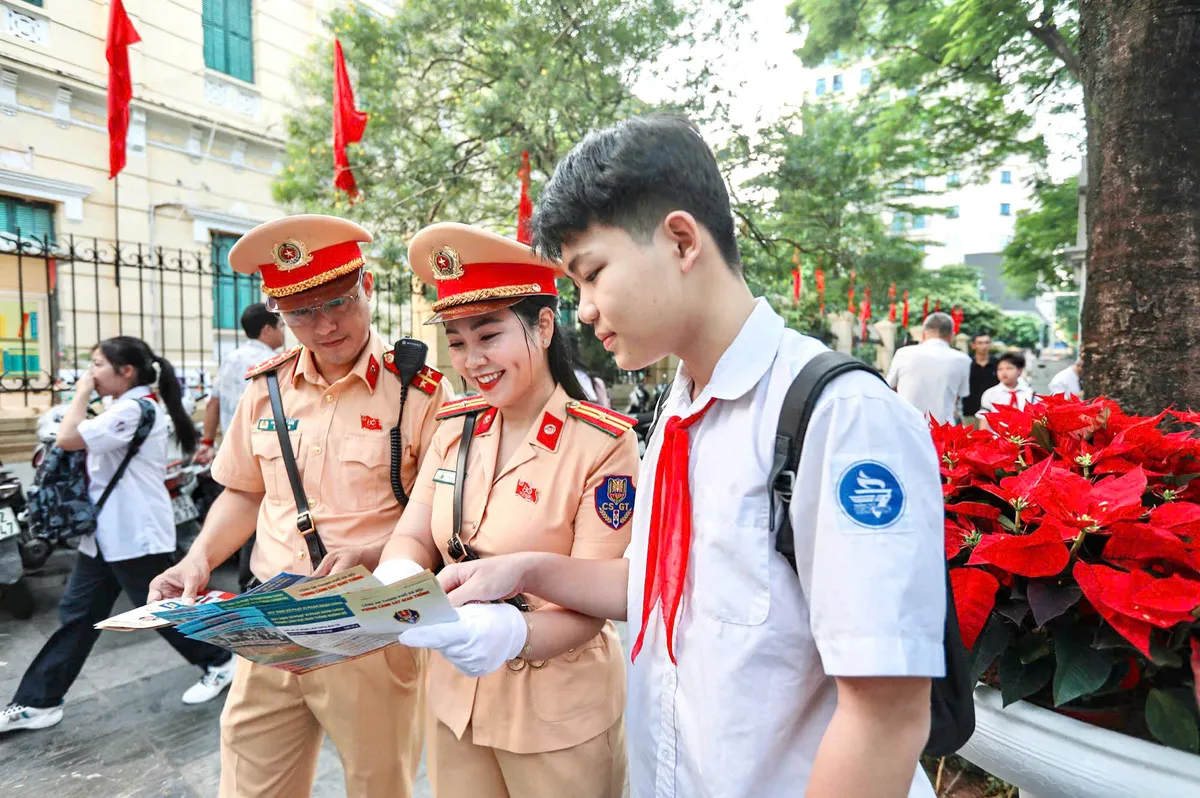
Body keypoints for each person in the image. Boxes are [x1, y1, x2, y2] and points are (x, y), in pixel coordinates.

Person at [398, 116, 945, 798]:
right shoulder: (682, 412)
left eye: (592, 275)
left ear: (681, 241)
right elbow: (659, 586)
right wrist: (525, 572)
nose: (586, 312)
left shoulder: (838, 418)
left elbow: (887, 712)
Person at [147, 215, 451, 798]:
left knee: (378, 782)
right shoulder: (268, 384)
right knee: (250, 779)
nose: (325, 324)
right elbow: (244, 490)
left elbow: (445, 516)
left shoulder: (421, 389)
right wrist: (198, 559)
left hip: (369, 617)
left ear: (364, 284)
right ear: (280, 315)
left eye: (338, 301)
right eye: (301, 313)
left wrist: (376, 555)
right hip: (272, 614)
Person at [362, 222, 637, 798]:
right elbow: (415, 534)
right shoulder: (456, 427)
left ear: (542, 325)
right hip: (456, 701)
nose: (472, 360)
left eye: (488, 335)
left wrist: (513, 630)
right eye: (457, 342)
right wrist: (399, 576)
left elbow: (606, 594)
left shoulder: (601, 444)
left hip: (557, 712)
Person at [0, 337, 234, 734]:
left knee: (160, 609)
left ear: (126, 371)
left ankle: (219, 661)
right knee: (78, 615)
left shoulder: (132, 409)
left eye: (97, 364)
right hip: (108, 535)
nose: (92, 372)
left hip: (133, 533)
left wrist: (81, 393)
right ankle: (38, 701)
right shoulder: (125, 407)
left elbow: (67, 437)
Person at [194, 303, 286, 466]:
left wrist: (207, 442)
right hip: (267, 453)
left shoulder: (231, 359)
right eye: (281, 326)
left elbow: (214, 403)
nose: (283, 331)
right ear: (267, 330)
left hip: (232, 451)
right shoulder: (276, 362)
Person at [885, 312, 971, 424]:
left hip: (908, 427)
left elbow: (889, 387)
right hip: (944, 430)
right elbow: (960, 396)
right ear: (951, 336)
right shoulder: (963, 360)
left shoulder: (903, 353)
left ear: (923, 334)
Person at [978, 352, 1035, 428]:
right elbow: (984, 422)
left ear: (1020, 371)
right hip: (997, 438)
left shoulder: (1031, 394)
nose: (1004, 372)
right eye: (1000, 369)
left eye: (1009, 368)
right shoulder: (990, 394)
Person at [962, 332, 999, 426]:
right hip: (970, 412)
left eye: (987, 342)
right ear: (973, 345)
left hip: (993, 412)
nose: (984, 346)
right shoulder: (967, 364)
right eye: (980, 343)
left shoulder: (998, 365)